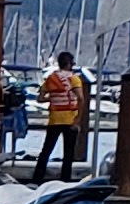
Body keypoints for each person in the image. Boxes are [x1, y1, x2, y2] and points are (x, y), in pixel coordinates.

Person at [31, 51, 88, 180]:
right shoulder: (73, 79)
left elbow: (40, 98)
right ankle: (65, 180)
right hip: (70, 119)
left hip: (54, 119)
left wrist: (53, 99)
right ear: (69, 64)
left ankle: (37, 178)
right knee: (68, 153)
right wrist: (78, 120)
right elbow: (81, 99)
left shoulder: (51, 78)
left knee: (46, 150)